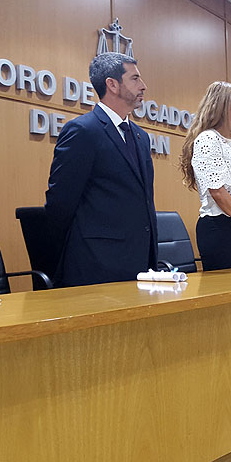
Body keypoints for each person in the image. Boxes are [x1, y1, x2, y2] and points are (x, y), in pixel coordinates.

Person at [45, 52, 157, 287]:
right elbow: (61, 202)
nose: (143, 86)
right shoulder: (83, 131)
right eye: (135, 78)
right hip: (96, 263)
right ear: (112, 85)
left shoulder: (141, 136)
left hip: (140, 259)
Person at [178, 81, 231, 271]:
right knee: (225, 286)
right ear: (222, 106)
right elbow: (217, 192)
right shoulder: (208, 139)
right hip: (220, 228)